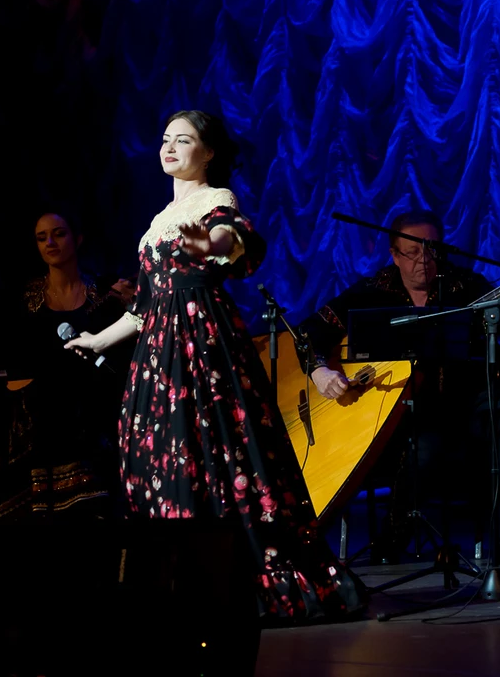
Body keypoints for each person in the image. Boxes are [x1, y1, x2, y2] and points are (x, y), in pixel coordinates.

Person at [64, 110, 362, 621]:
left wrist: (211, 245)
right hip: (157, 356)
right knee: (160, 457)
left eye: (184, 140)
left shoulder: (215, 200)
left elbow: (231, 237)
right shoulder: (158, 221)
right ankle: (170, 579)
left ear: (209, 153)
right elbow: (143, 308)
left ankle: (231, 580)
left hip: (201, 346)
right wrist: (98, 339)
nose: (170, 147)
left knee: (216, 452)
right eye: (166, 139)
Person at [298, 212, 500, 563]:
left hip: (462, 404)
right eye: (412, 252)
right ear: (394, 255)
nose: (423, 260)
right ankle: (395, 533)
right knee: (425, 446)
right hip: (394, 414)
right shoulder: (374, 291)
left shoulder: (465, 286)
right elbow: (308, 333)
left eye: (431, 250)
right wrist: (320, 372)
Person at [0, 212, 135, 553]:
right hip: (38, 411)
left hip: (89, 411)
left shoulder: (102, 294)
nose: (50, 242)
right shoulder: (25, 298)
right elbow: (14, 363)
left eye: (59, 234)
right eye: (41, 237)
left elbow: (115, 359)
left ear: (78, 239)